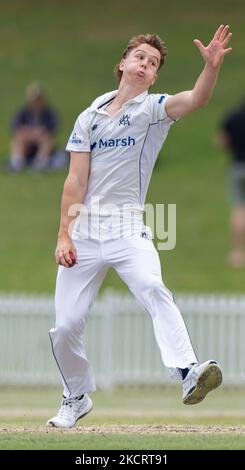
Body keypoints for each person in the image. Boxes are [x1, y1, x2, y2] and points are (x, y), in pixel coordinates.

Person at [47, 25, 232, 428]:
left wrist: (212, 68)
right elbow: (75, 182)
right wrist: (63, 234)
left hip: (128, 227)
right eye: (140, 57)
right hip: (84, 231)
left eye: (153, 63)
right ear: (123, 63)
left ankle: (186, 373)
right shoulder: (89, 116)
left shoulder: (152, 110)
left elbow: (196, 99)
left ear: (153, 76)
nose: (145, 64)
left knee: (152, 287)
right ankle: (75, 396)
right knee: (65, 327)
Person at [8, 83, 65, 171]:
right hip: (27, 142)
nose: (36, 103)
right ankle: (17, 162)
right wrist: (29, 133)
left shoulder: (49, 113)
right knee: (18, 139)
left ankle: (40, 162)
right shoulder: (23, 112)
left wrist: (39, 133)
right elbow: (15, 127)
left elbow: (52, 129)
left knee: (47, 140)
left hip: (42, 142)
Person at [217, 100, 245, 268]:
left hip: (237, 167)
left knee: (239, 210)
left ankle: (237, 254)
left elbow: (221, 141)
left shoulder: (233, 116)